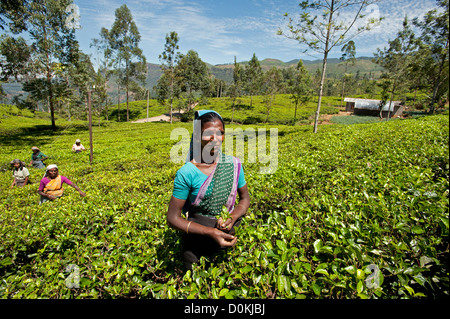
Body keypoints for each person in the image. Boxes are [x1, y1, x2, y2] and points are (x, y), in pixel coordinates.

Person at [167, 110, 250, 270]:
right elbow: (172, 218)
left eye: (220, 133)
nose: (215, 139)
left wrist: (232, 217)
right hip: (195, 246)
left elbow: (244, 199)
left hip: (227, 240)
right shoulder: (187, 173)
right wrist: (210, 232)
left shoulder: (234, 164)